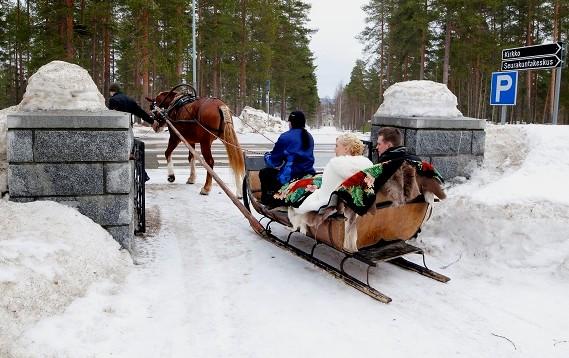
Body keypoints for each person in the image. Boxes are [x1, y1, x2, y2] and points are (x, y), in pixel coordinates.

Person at [293, 133, 373, 214]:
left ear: (346, 148)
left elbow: (324, 194)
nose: (334, 149)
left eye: (337, 146)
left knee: (300, 188)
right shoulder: (367, 165)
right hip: (352, 205)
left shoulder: (335, 164)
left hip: (329, 206)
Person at [260, 110, 316, 207]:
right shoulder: (309, 136)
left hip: (291, 177)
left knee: (265, 173)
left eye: (289, 121)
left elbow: (274, 162)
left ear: (291, 122)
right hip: (308, 173)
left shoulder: (285, 137)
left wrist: (266, 156)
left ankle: (268, 200)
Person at [108, 83, 153, 182]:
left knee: (120, 155)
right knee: (132, 152)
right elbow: (140, 113)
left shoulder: (113, 100)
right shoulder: (129, 100)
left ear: (112, 91)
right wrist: (152, 122)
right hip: (128, 130)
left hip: (117, 131)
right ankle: (143, 174)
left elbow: (112, 117)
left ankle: (121, 178)